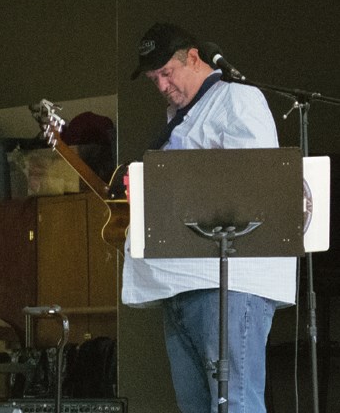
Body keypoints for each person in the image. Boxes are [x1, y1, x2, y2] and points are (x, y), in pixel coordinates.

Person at [122, 23, 297, 413]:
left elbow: (251, 189)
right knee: (198, 406)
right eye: (155, 79)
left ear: (195, 58)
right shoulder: (179, 117)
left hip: (229, 282)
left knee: (235, 402)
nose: (162, 86)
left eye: (167, 73)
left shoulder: (236, 99)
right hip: (181, 283)